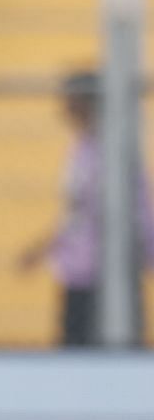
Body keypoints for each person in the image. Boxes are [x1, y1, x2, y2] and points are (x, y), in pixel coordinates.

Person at [18, 71, 153, 345]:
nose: (64, 107)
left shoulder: (109, 150)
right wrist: (46, 247)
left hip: (104, 273)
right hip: (83, 271)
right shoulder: (83, 149)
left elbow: (125, 210)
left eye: (71, 99)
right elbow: (78, 213)